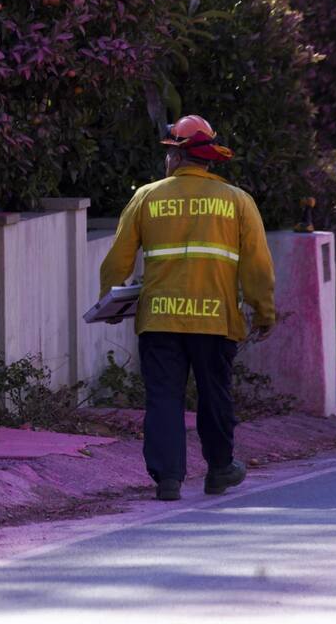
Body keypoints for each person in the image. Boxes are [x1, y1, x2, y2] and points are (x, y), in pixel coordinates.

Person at [100, 115, 276, 501]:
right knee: (215, 395)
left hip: (160, 319)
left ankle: (168, 479)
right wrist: (264, 312)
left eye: (169, 153)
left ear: (178, 157)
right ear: (208, 158)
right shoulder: (238, 201)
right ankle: (219, 469)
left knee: (164, 397)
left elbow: (117, 261)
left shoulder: (146, 196)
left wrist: (108, 303)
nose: (166, 160)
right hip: (215, 320)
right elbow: (258, 267)